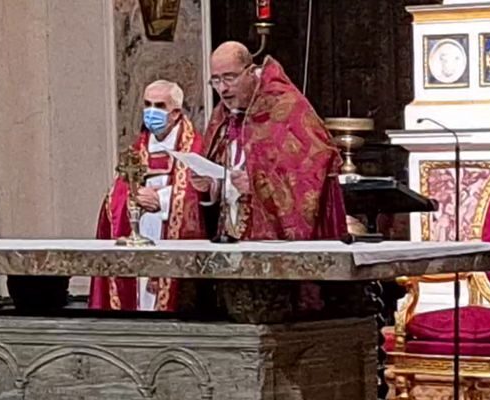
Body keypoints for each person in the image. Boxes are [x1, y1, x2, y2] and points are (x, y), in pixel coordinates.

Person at [196, 41, 345, 241]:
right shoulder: (222, 115)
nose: (222, 89)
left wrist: (257, 186)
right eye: (215, 80)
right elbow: (223, 168)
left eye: (229, 78)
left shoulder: (286, 107)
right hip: (231, 232)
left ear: (250, 71)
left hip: (275, 236)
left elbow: (314, 169)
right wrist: (211, 185)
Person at [90, 80, 205, 311]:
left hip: (170, 237)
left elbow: (198, 193)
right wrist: (134, 195)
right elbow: (114, 197)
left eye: (159, 105)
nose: (151, 111)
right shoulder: (137, 150)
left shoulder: (196, 148)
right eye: (147, 104)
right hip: (140, 233)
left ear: (175, 113)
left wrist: (162, 201)